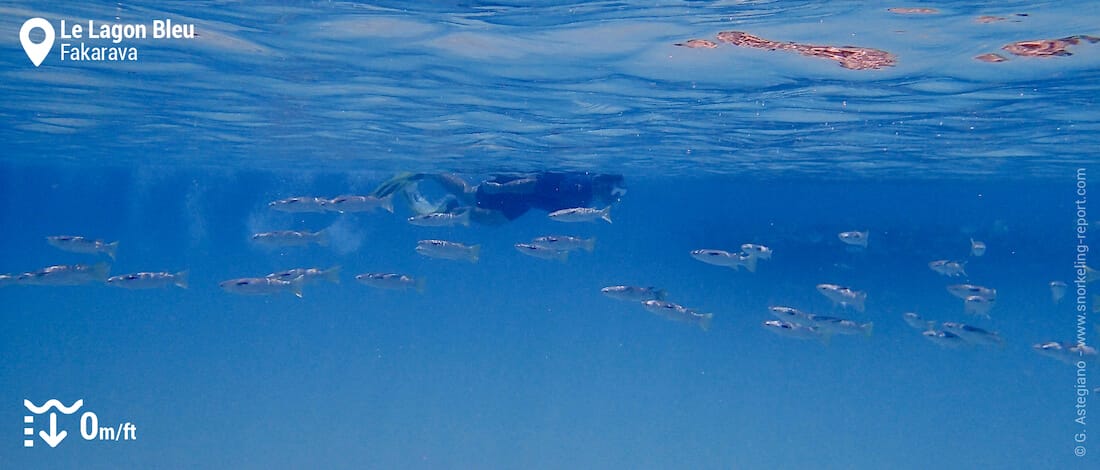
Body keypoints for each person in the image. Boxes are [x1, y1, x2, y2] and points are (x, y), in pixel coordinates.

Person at [371, 171, 626, 225]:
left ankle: (452, 209)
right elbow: (536, 182)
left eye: (619, 195)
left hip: (526, 202)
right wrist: (500, 190)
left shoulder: (589, 195)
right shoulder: (580, 186)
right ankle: (428, 173)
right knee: (470, 194)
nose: (615, 197)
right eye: (614, 191)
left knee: (496, 222)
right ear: (602, 182)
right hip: (514, 189)